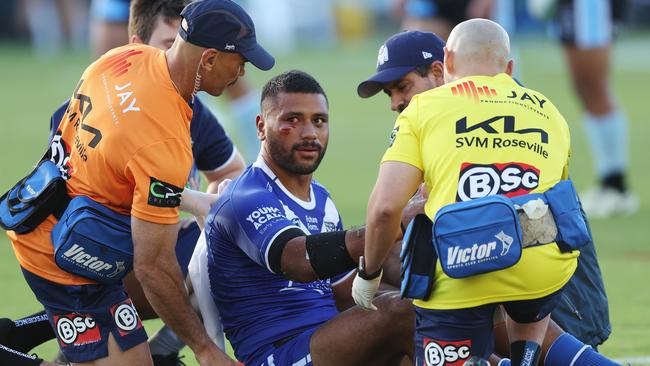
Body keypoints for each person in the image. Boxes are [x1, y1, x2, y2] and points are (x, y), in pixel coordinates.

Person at [6, 0, 274, 364]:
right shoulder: (164, 142)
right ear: (209, 59)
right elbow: (152, 268)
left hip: (55, 222)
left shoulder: (123, 58)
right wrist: (205, 349)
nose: (242, 73)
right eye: (240, 62)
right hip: (61, 258)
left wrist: (189, 201)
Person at [358, 29, 614, 357]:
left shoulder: (424, 111)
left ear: (443, 66)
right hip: (546, 276)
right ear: (508, 69)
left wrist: (368, 273)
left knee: (446, 260)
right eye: (389, 94)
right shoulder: (546, 109)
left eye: (402, 86)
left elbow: (384, 210)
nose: (396, 102)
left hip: (529, 293)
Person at [200, 70, 414, 366]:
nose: (310, 133)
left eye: (319, 121)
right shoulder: (245, 196)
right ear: (261, 127)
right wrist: (395, 223)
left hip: (328, 343)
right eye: (292, 120)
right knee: (401, 314)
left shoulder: (322, 199)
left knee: (426, 311)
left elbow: (345, 294)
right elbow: (298, 261)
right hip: (278, 354)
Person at [550, 0, 637, 217]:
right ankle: (607, 179)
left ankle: (617, 185)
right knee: (583, 90)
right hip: (570, 8)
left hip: (590, 7)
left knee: (596, 89)